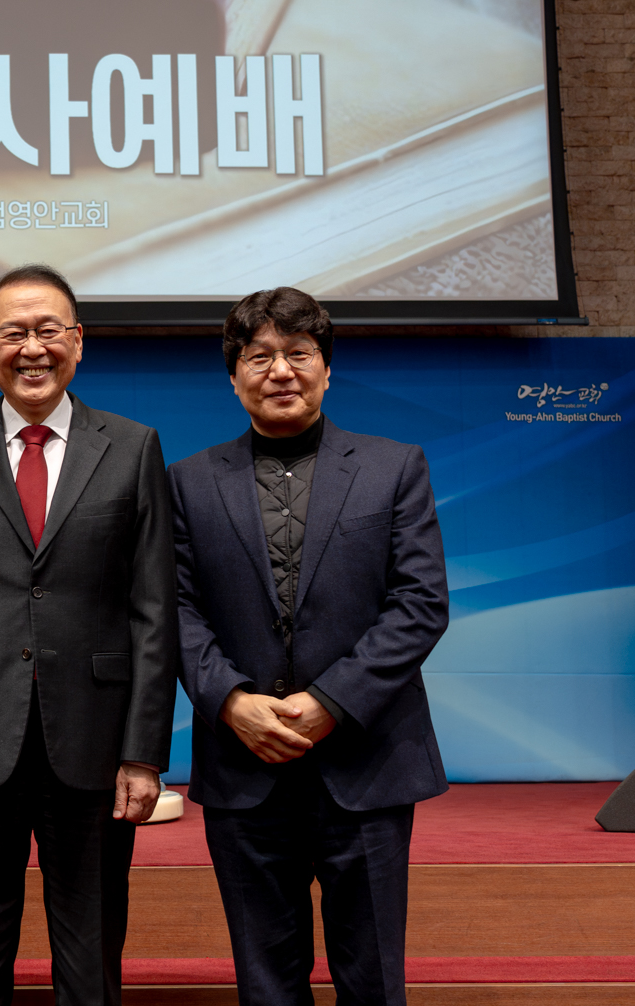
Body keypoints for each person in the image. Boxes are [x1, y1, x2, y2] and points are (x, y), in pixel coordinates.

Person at [0, 265, 179, 1006]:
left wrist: (144, 752)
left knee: (91, 966)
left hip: (94, 742)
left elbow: (154, 610)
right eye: (13, 333)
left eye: (48, 330)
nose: (32, 348)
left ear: (77, 341)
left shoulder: (133, 447)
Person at [167, 287, 450, 1006]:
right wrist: (232, 702)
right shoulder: (188, 482)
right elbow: (173, 610)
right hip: (244, 762)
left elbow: (420, 604)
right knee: (266, 984)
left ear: (326, 369)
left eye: (298, 353)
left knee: (373, 979)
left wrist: (331, 702)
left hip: (366, 759)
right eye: (259, 356)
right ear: (234, 377)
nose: (281, 371)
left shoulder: (393, 467)